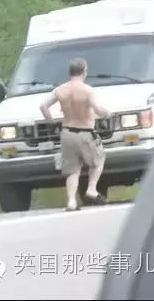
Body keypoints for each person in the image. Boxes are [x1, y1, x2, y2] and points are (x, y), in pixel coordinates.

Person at [39, 57, 111, 211]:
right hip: (85, 132)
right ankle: (91, 189)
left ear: (70, 72)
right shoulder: (88, 90)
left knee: (72, 170)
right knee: (98, 161)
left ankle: (71, 201)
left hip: (67, 133)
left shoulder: (60, 90)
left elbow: (43, 106)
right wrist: (106, 113)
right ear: (84, 71)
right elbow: (97, 109)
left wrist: (50, 121)